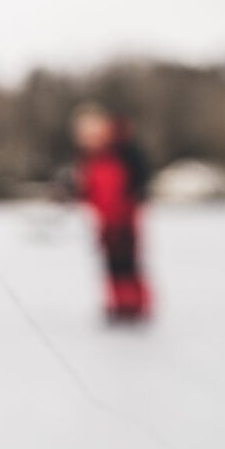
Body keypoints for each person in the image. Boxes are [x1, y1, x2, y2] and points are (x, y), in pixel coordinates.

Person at [71, 101, 151, 323]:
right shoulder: (87, 161)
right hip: (105, 221)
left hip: (124, 219)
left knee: (128, 262)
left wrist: (127, 212)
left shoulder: (122, 155)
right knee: (110, 263)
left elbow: (135, 187)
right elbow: (88, 190)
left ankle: (135, 304)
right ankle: (118, 303)